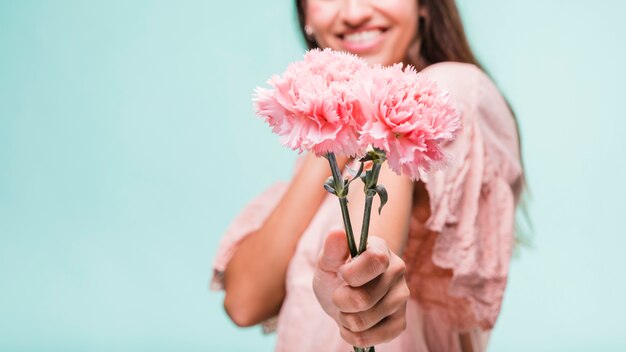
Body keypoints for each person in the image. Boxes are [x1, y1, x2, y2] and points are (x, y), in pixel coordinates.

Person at [211, 0, 524, 351]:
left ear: (424, 6)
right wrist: (330, 125)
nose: (354, 12)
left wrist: (365, 293)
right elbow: (243, 302)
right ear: (306, 15)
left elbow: (368, 266)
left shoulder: (448, 91)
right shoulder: (329, 156)